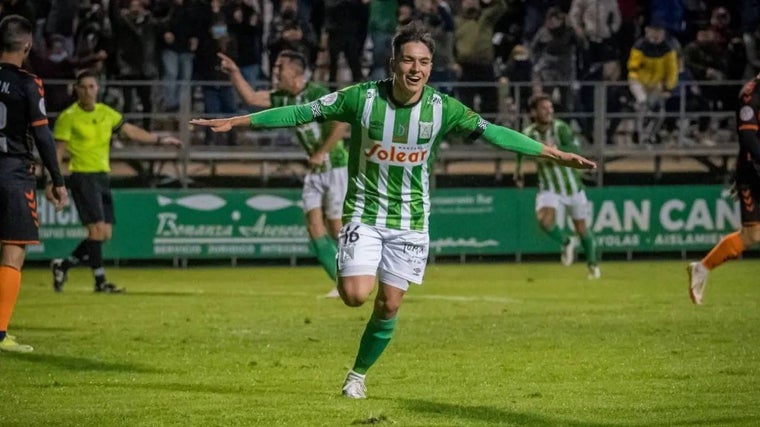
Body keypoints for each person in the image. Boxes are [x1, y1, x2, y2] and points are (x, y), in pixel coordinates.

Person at [190, 22, 596, 399]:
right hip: (365, 214)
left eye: (423, 62)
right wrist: (240, 120)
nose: (415, 69)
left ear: (431, 66)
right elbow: (300, 112)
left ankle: (357, 376)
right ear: (394, 63)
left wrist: (551, 152)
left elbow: (495, 133)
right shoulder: (361, 98)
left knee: (390, 304)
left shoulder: (443, 107)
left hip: (412, 221)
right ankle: (355, 335)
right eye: (408, 60)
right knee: (354, 295)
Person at [216, 49, 350, 298]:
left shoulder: (317, 94)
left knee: (335, 227)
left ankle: (358, 274)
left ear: (295, 72)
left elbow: (342, 123)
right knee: (313, 225)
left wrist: (322, 152)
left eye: (280, 68)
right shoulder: (283, 97)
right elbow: (253, 98)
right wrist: (235, 73)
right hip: (314, 170)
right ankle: (341, 283)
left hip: (336, 165)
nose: (276, 72)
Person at [51, 69, 181, 293]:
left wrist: (160, 139)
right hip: (82, 176)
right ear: (77, 90)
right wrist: (52, 180)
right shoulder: (68, 117)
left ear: (98, 89)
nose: (88, 91)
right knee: (96, 232)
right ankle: (100, 282)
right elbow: (58, 150)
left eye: (92, 86)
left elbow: (130, 131)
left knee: (105, 234)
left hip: (102, 176)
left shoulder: (105, 113)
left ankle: (63, 265)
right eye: (84, 87)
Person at [0, 15, 68, 353]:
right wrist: (57, 180)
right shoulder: (28, 83)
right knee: (13, 249)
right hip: (12, 173)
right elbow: (42, 135)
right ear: (27, 45)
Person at [687, 75, 760, 305]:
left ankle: (701, 267)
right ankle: (702, 268)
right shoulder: (750, 95)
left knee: (753, 235)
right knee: (751, 235)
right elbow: (748, 138)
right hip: (753, 172)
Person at [514, 94, 600, 279]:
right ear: (533, 112)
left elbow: (575, 151)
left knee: (582, 228)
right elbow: (519, 150)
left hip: (572, 186)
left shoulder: (561, 128)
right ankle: (566, 241)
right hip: (549, 186)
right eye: (544, 108)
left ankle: (593, 266)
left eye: (550, 107)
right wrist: (518, 171)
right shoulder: (529, 133)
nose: (549, 111)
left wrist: (557, 151)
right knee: (544, 221)